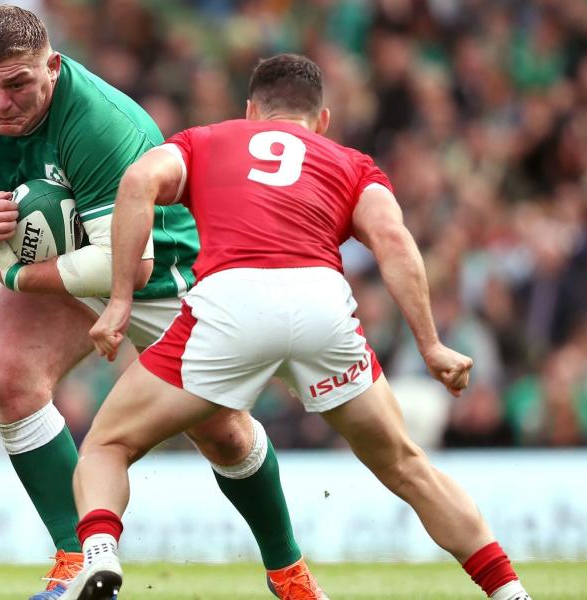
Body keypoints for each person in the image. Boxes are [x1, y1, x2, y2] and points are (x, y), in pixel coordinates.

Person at [65, 54, 533, 600]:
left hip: (230, 306)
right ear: (323, 119)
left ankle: (99, 557)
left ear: (251, 110)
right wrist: (430, 345)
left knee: (108, 443)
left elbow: (139, 181)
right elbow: (394, 240)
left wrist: (120, 300)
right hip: (322, 305)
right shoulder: (352, 163)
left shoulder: (205, 140)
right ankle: (509, 592)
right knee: (408, 465)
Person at [0, 7, 317, 599]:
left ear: (52, 65)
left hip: (157, 273)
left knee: (221, 430)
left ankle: (287, 570)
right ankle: (75, 561)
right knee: (12, 377)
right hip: (59, 270)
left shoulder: (98, 121)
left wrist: (17, 277)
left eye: (18, 85)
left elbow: (126, 263)